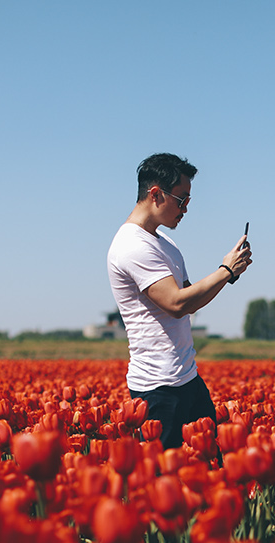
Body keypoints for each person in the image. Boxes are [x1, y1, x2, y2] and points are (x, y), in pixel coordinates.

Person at [106, 153, 251, 450]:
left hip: (187, 378)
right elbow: (175, 304)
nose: (185, 209)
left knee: (210, 468)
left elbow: (191, 299)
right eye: (181, 199)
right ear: (156, 193)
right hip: (158, 388)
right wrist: (226, 270)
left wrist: (229, 274)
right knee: (168, 484)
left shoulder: (164, 243)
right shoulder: (132, 245)